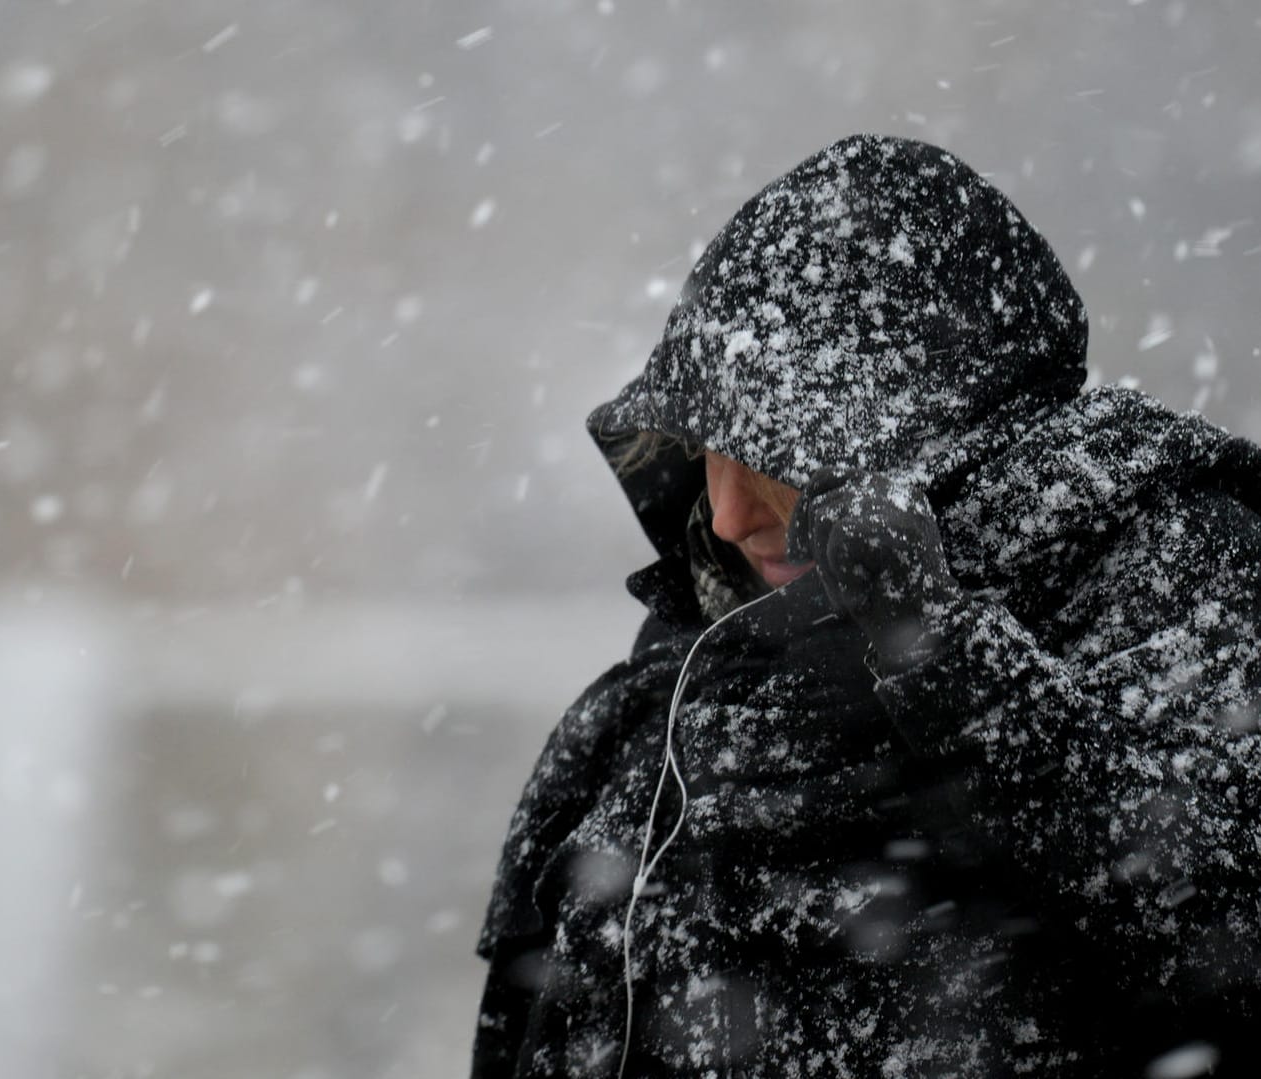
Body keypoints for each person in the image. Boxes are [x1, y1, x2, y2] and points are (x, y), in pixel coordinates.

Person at [472, 134, 1261, 1078]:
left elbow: (1221, 929)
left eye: (767, 449)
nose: (723, 513)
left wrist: (946, 666)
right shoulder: (659, 696)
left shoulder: (1170, 567)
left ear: (929, 434)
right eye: (703, 450)